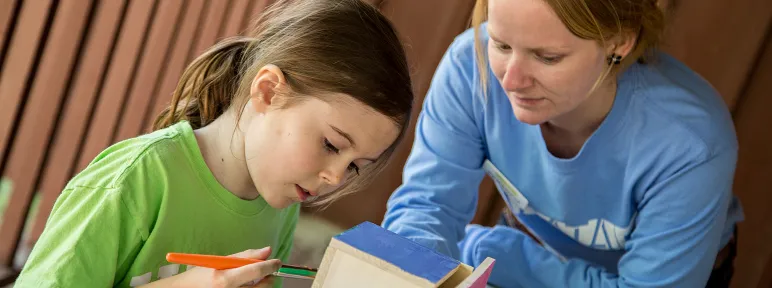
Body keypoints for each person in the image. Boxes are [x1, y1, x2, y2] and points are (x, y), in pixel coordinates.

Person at [14, 0, 413, 287]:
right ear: (269, 92)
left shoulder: (280, 207)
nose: (335, 177)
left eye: (356, 165)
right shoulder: (139, 177)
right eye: (331, 144)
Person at [382, 0, 743, 287]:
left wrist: (497, 254)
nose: (511, 80)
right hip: (529, 252)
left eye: (547, 57)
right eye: (502, 44)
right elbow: (427, 207)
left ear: (619, 41)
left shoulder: (690, 143)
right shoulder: (469, 66)